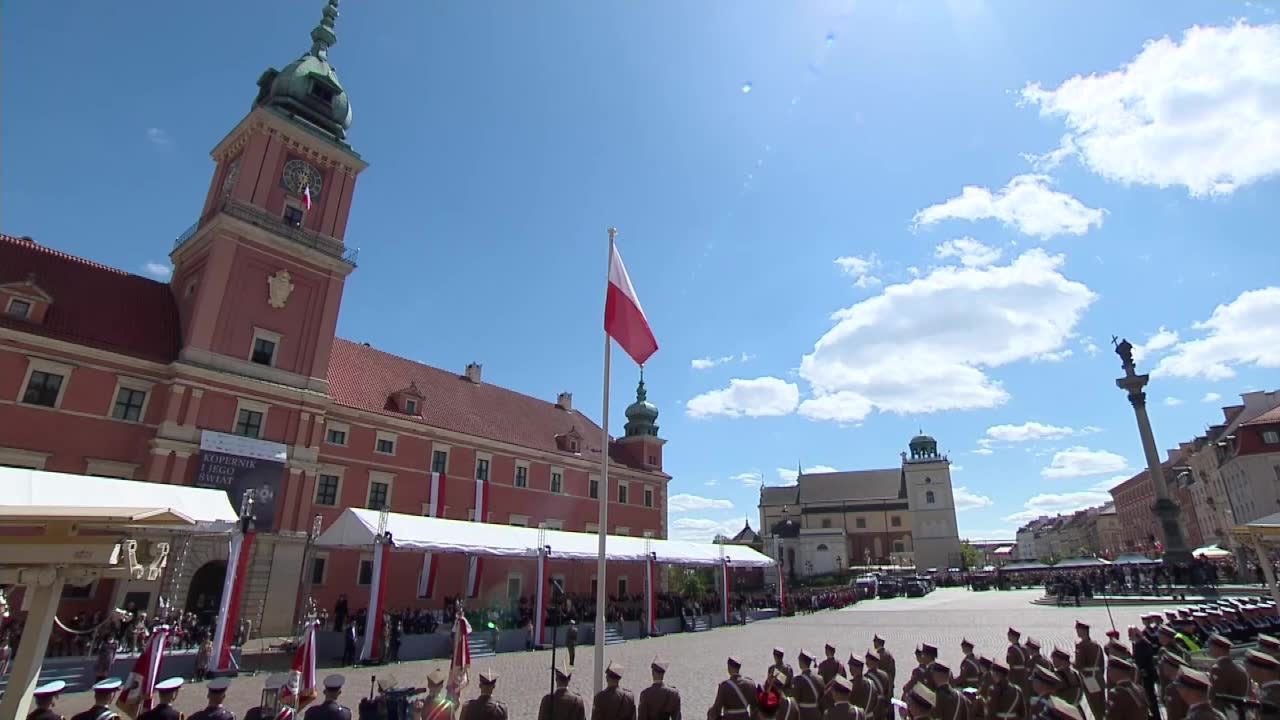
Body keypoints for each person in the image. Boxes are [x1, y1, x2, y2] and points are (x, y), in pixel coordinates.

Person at [1204, 634, 1250, 715]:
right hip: (1239, 713)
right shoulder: (1240, 669)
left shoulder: (1218, 669)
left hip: (1226, 713)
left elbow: (1216, 697)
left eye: (1210, 647)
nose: (1209, 650)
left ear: (1217, 648)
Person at [1073, 622, 1105, 720]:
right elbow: (1102, 664)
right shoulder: (1097, 645)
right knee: (1101, 703)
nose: (1077, 632)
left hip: (1089, 678)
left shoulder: (1081, 646)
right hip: (1098, 676)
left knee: (1094, 705)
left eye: (1078, 630)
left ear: (1083, 631)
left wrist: (1072, 663)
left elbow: (1079, 665)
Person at [1103, 656, 1147, 720]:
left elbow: (1112, 717)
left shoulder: (1116, 693)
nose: (1109, 674)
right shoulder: (1140, 688)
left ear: (1116, 671)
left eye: (1110, 670)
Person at [794, 651, 824, 720]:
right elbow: (822, 699)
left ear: (801, 662)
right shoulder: (820, 678)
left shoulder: (798, 680)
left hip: (804, 715)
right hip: (817, 714)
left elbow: (795, 700)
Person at [1159, 654, 1190, 720]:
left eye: (1163, 666)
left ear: (1168, 667)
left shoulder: (1173, 688)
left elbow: (1174, 714)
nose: (1161, 668)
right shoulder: (1184, 685)